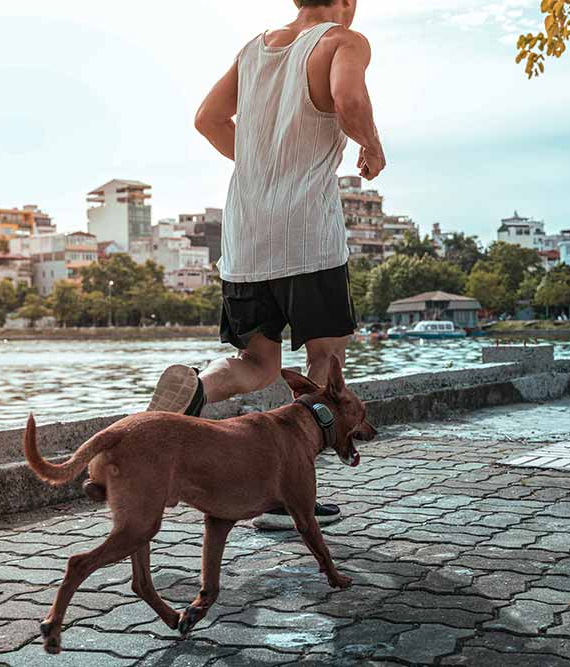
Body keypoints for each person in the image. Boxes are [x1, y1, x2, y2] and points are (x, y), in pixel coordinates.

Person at [146, 0, 385, 530]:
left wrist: (259, 161)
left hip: (247, 233)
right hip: (307, 237)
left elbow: (207, 120)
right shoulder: (345, 41)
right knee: (325, 364)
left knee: (257, 363)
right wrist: (373, 145)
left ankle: (198, 388)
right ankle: (291, 496)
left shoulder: (254, 49)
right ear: (347, 2)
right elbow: (348, 98)